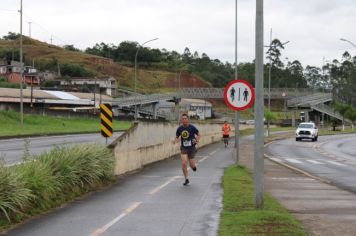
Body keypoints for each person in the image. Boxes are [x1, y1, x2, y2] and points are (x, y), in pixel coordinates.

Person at [175, 113, 200, 186]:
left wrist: (196, 140)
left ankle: (193, 167)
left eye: (185, 118)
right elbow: (177, 137)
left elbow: (199, 135)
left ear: (188, 119)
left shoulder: (192, 127)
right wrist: (176, 140)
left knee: (192, 165)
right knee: (184, 162)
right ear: (181, 120)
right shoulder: (179, 128)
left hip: (192, 148)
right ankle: (186, 179)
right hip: (184, 147)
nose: (184, 120)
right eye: (183, 119)